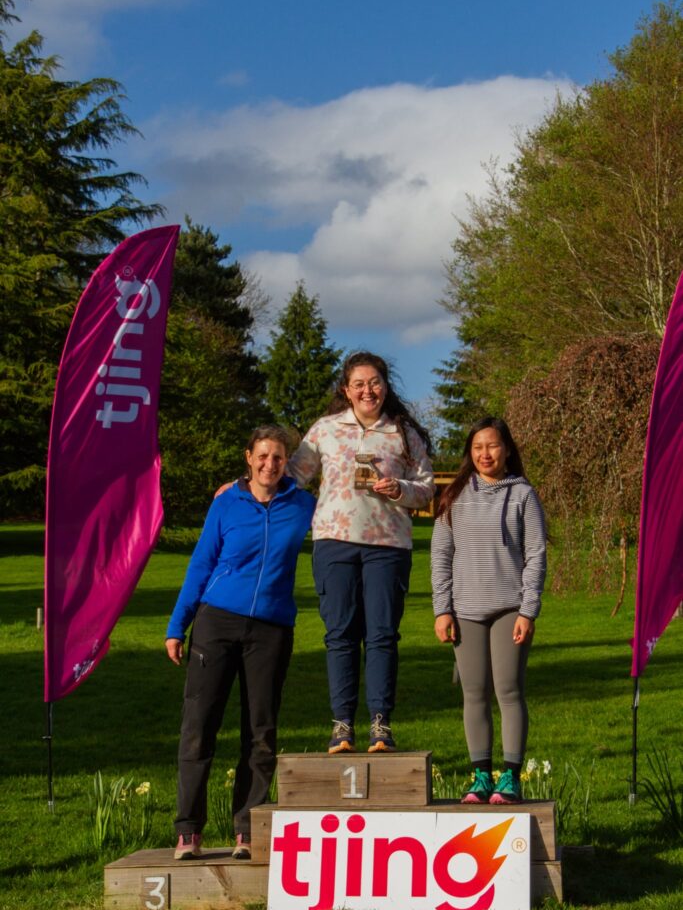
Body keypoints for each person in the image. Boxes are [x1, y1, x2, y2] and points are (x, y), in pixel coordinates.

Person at [165, 425, 316, 861]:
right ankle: (188, 831)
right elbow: (201, 563)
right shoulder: (226, 503)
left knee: (261, 732)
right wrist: (178, 625)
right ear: (248, 457)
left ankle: (247, 829)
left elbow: (343, 513)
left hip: (271, 630)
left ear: (288, 462)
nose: (270, 464)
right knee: (199, 727)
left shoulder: (303, 505)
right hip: (216, 623)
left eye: (279, 457)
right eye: (263, 456)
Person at [287, 351, 434, 754]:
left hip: (388, 545)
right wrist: (242, 485)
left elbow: (427, 486)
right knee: (340, 635)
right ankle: (341, 727)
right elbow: (291, 476)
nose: (368, 390)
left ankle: (381, 726)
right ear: (346, 390)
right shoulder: (325, 429)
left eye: (375, 383)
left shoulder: (404, 433)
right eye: (359, 384)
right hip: (334, 541)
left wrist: (400, 489)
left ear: (385, 386)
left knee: (383, 636)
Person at [430, 416, 546, 804]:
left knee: (509, 690)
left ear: (507, 449)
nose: (485, 454)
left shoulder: (523, 496)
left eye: (492, 446)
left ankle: (510, 777)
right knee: (474, 694)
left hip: (510, 609)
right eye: (477, 447)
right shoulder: (455, 496)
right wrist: (442, 609)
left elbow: (536, 555)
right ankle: (481, 776)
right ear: (470, 452)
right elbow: (441, 555)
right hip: (465, 611)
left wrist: (528, 610)